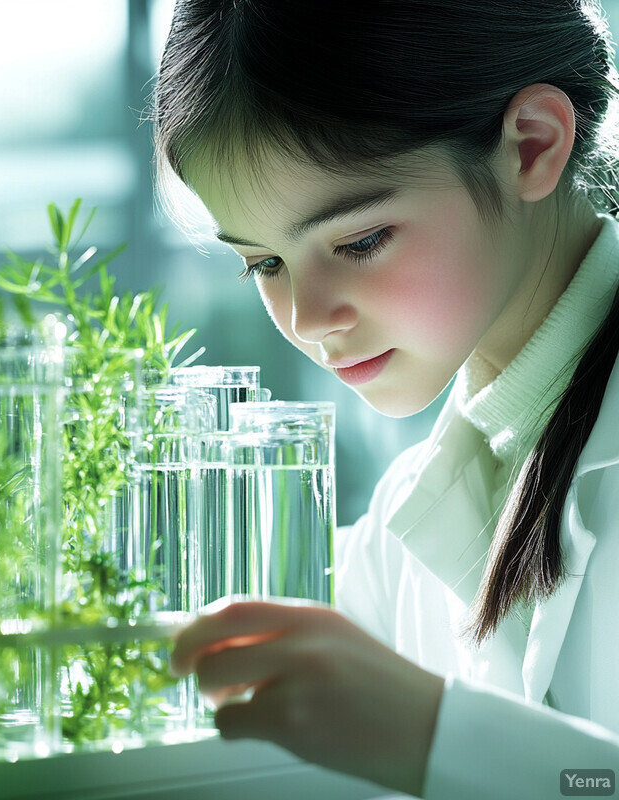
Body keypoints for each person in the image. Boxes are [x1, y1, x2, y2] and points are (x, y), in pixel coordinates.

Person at [151, 1, 619, 798]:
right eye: (263, 264)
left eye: (359, 241)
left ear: (533, 146)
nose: (306, 317)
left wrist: (431, 734)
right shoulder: (412, 517)